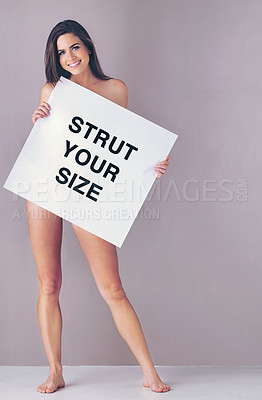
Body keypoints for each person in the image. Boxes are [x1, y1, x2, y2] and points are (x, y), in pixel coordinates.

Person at [27, 19, 171, 394]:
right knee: (49, 283)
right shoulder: (51, 90)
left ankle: (149, 373)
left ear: (88, 47)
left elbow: (119, 148)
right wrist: (39, 117)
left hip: (88, 192)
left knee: (112, 288)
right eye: (61, 52)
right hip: (45, 188)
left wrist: (149, 166)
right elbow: (44, 148)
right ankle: (55, 371)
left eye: (74, 47)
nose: (69, 57)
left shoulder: (115, 89)